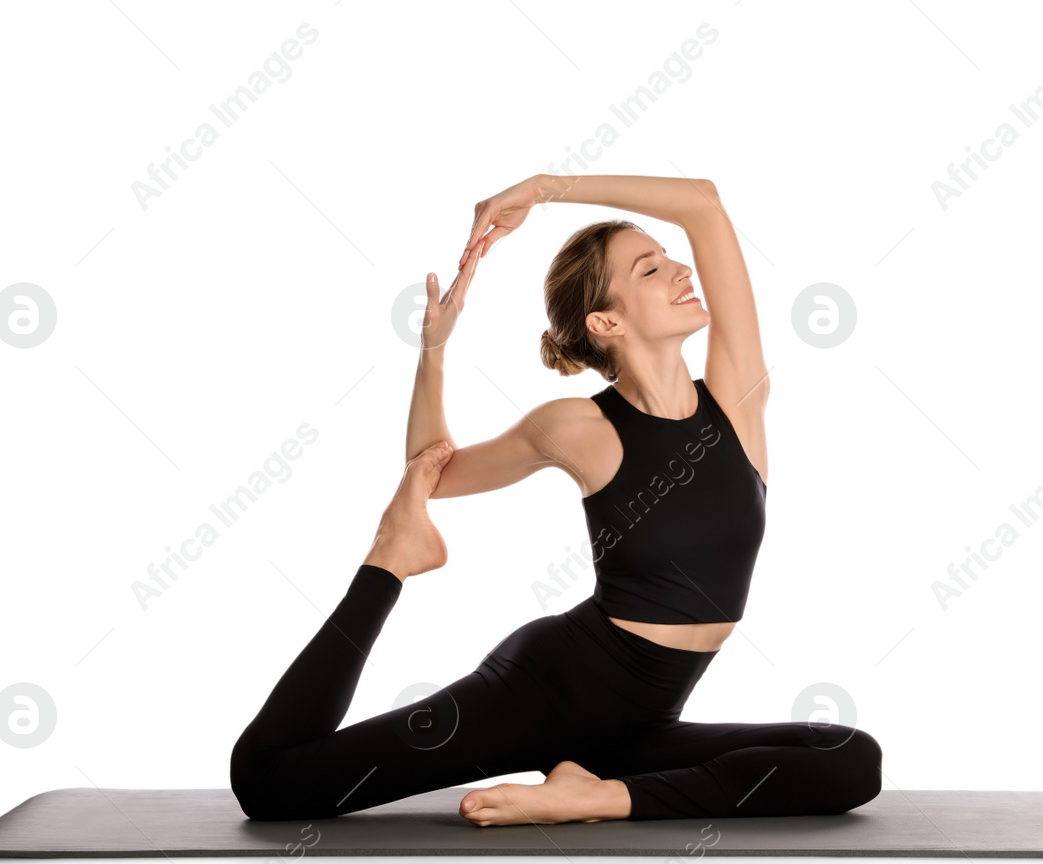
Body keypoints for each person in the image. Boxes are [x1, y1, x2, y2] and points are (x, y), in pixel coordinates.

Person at [229, 174, 882, 825]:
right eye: (651, 268)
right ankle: (391, 562)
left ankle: (597, 793)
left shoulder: (737, 399)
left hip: (643, 726)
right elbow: (435, 470)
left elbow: (704, 205)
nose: (682, 268)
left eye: (667, 257)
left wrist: (544, 188)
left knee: (852, 758)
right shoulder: (579, 427)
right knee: (271, 781)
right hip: (548, 694)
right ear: (606, 320)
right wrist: (434, 351)